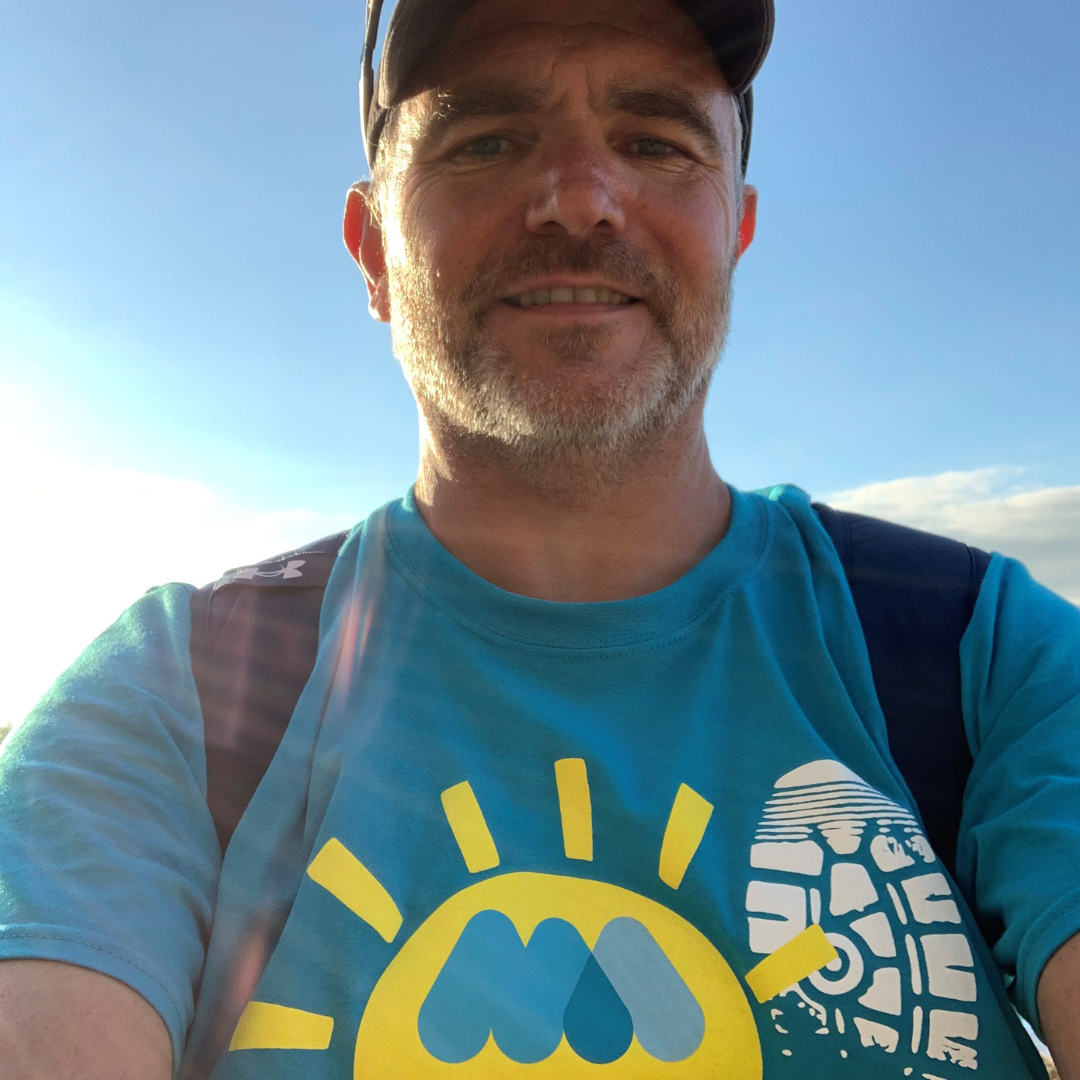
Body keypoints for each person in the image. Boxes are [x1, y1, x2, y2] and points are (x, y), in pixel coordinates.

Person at [0, 0, 1078, 1076]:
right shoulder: (173, 700)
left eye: (656, 141)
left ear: (735, 233)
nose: (579, 202)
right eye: (488, 141)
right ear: (373, 248)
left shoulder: (986, 656)